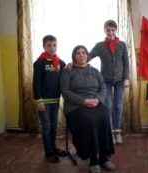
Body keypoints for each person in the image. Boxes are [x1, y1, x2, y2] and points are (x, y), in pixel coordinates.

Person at [60, 45, 116, 173]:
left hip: (95, 102)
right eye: (78, 53)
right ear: (74, 56)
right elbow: (65, 91)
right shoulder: (67, 71)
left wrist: (98, 100)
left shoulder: (94, 70)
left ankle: (103, 157)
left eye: (84, 52)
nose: (81, 55)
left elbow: (103, 87)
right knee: (89, 120)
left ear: (88, 55)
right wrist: (83, 101)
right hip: (75, 106)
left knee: (105, 115)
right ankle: (93, 160)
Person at [88, 19, 130, 145]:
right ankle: (109, 133)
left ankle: (118, 132)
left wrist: (126, 78)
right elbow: (88, 56)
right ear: (104, 31)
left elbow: (126, 63)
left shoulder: (122, 45)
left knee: (118, 106)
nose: (110, 32)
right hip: (105, 81)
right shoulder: (100, 46)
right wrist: (79, 62)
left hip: (120, 81)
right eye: (108, 30)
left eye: (113, 30)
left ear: (116, 30)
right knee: (108, 106)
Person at [33, 35, 67, 163]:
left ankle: (53, 147)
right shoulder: (39, 63)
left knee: (53, 126)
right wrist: (39, 100)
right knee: (46, 126)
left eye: (54, 45)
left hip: (55, 99)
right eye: (49, 45)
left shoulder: (59, 62)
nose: (52, 48)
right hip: (44, 101)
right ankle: (48, 152)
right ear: (44, 46)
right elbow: (36, 83)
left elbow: (69, 69)